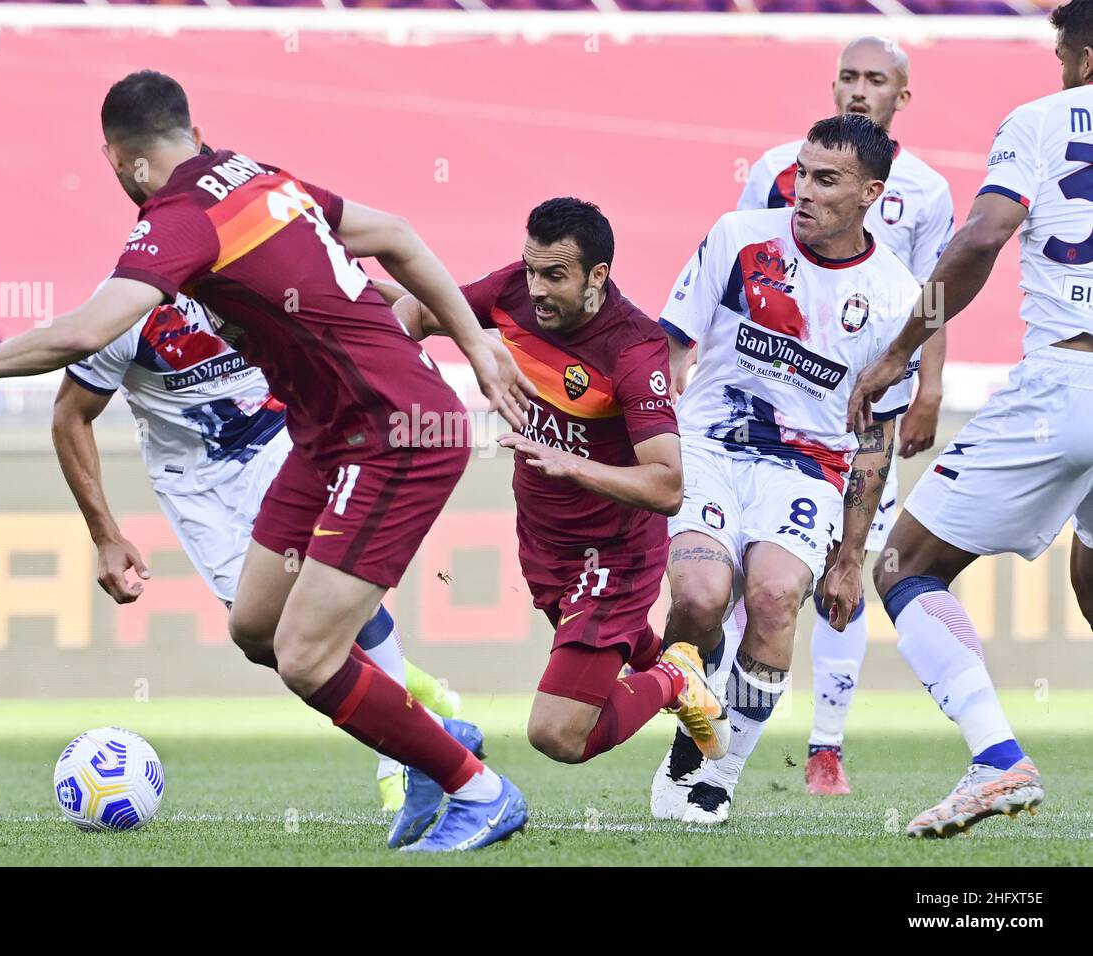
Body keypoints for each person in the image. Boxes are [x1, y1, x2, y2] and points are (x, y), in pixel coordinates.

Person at [0, 70, 536, 852]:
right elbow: (395, 232)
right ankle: (433, 740)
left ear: (124, 161)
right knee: (258, 626)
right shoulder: (258, 178)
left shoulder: (181, 217)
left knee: (305, 655)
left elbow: (85, 332)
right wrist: (472, 347)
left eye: (116, 168)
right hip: (330, 437)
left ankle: (479, 791)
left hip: (395, 433)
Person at [52, 289, 464, 814]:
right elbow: (70, 416)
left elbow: (363, 286)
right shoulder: (127, 311)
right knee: (260, 635)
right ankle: (409, 691)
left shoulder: (268, 271)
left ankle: (402, 755)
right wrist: (105, 535)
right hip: (196, 486)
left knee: (329, 581)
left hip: (284, 439)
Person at [848, 0, 1093, 839]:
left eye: (1065, 57)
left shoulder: (1043, 119)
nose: (1061, 71)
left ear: (1085, 59)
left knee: (902, 564)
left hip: (1071, 377)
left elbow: (984, 236)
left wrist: (897, 351)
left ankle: (997, 760)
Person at [393, 198, 728, 773]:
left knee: (558, 734)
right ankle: (677, 668)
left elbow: (668, 485)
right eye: (531, 269)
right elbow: (418, 313)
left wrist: (569, 464)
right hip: (544, 542)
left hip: (615, 556)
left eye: (555, 275)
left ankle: (674, 678)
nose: (537, 288)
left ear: (598, 275)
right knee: (615, 651)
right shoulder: (511, 295)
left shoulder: (634, 349)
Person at [651, 114, 921, 824]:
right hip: (708, 441)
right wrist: (647, 439)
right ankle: (692, 731)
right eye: (801, 172)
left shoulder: (895, 297)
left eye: (825, 180)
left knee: (772, 600)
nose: (803, 190)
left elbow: (873, 440)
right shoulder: (739, 239)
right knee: (703, 598)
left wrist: (849, 558)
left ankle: (718, 773)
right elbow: (668, 349)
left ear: (870, 193)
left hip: (807, 468)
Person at [718, 36, 956, 796]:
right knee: (741, 565)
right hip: (769, 393)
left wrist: (929, 391)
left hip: (862, 399)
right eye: (848, 77)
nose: (859, 89)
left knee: (851, 560)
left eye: (875, 79)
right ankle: (715, 727)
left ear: (902, 95)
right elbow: (735, 268)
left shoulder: (927, 190)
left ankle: (826, 745)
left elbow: (936, 297)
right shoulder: (774, 169)